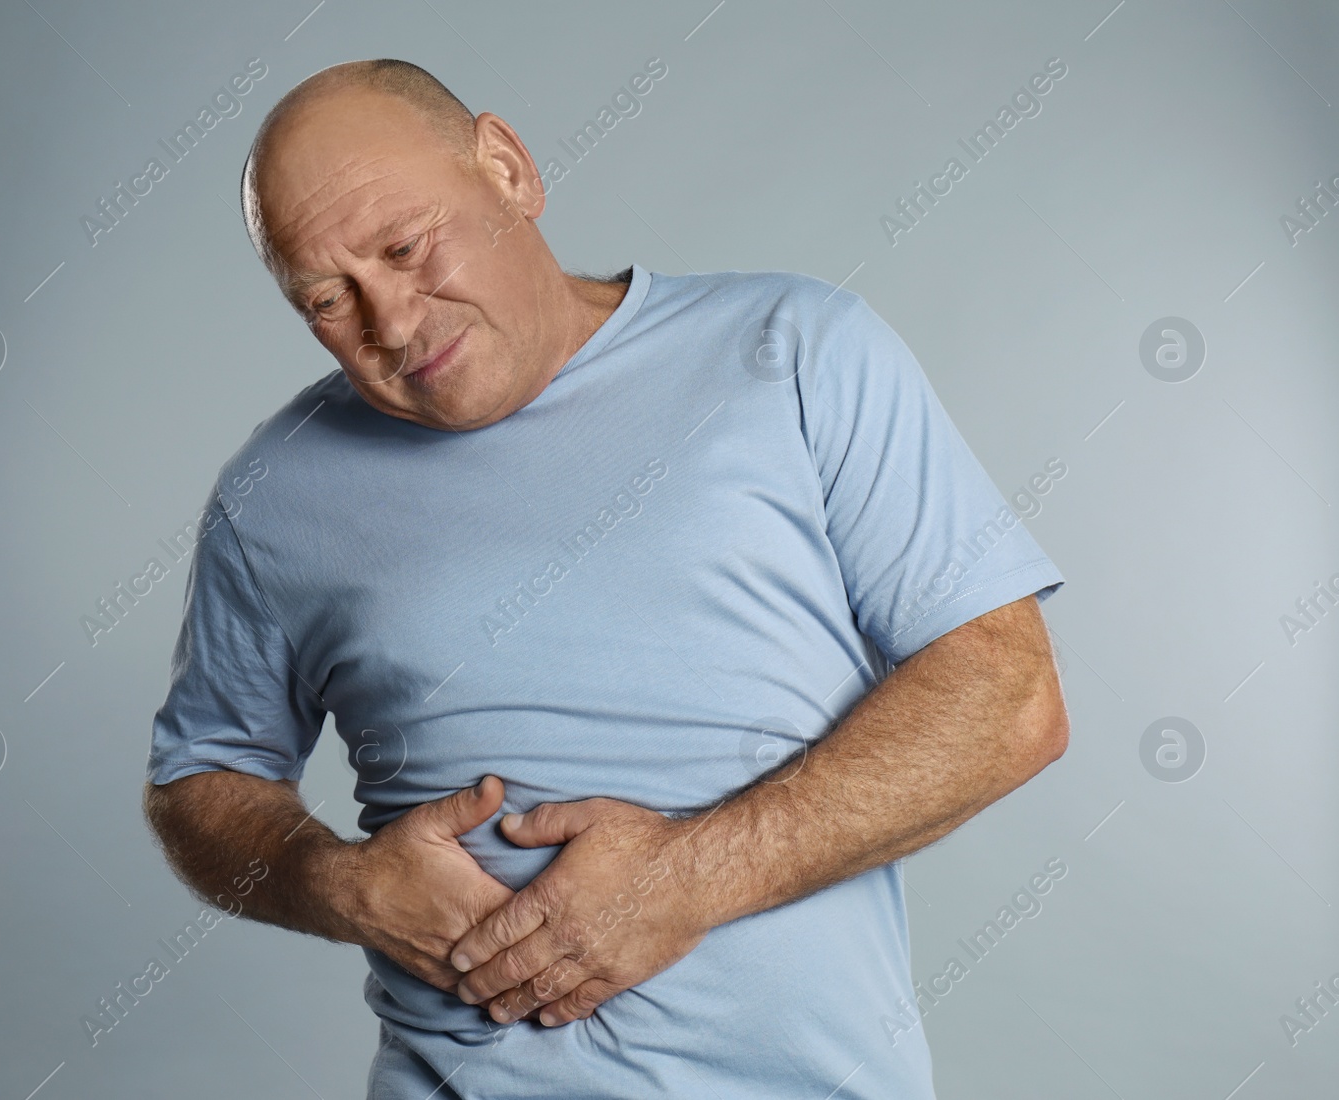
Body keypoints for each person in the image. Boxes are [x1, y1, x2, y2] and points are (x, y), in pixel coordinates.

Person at [142, 57, 1069, 1100]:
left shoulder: (795, 350)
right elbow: (199, 781)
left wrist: (688, 877)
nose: (390, 322)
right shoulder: (276, 491)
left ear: (506, 169)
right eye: (326, 298)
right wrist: (340, 883)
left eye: (406, 248)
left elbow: (1007, 697)